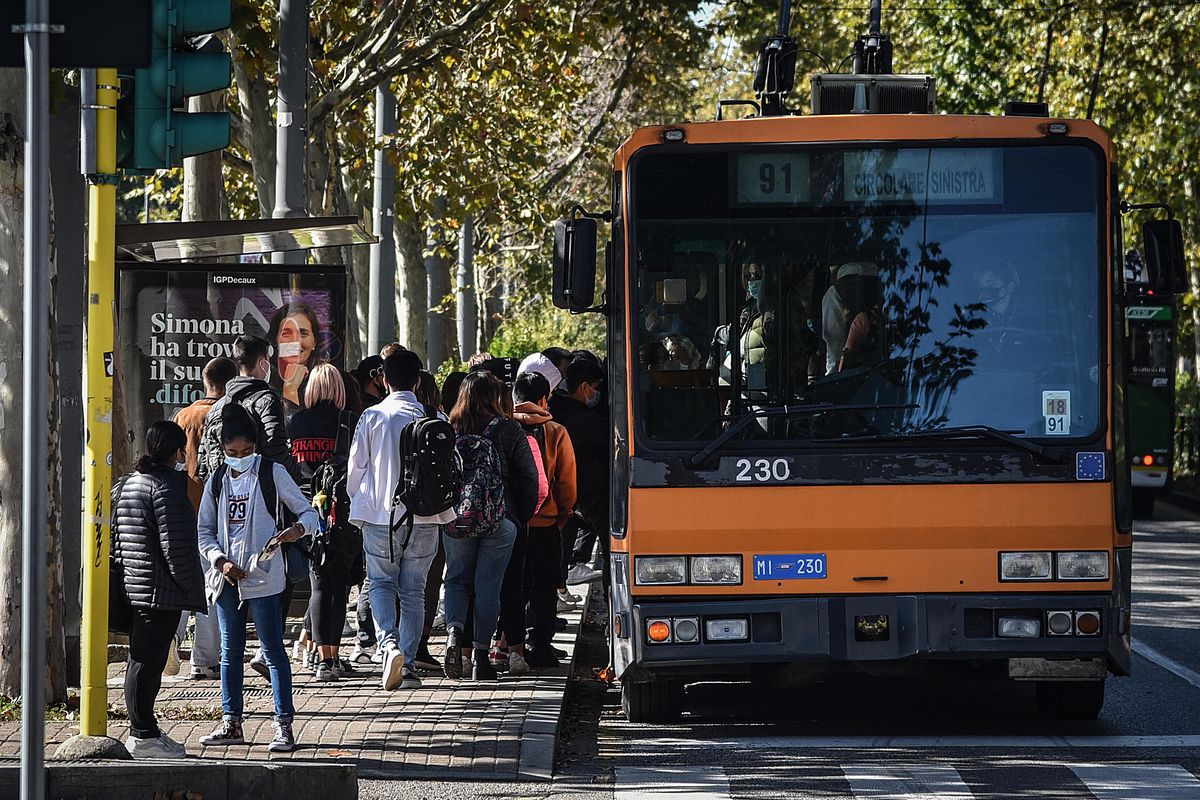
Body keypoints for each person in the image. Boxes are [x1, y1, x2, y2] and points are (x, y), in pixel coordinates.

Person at [197, 414, 319, 753]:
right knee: (230, 653)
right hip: (226, 581)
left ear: (256, 447)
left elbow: (309, 514)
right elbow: (204, 530)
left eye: (246, 450)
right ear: (222, 450)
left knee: (274, 652)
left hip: (266, 578)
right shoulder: (217, 478)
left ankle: (283, 725)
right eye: (232, 452)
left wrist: (297, 530)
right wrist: (220, 561)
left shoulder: (271, 472)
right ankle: (231, 722)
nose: (239, 457)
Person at [347, 349, 454, 691]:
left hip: (381, 515)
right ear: (418, 380)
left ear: (384, 380)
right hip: (427, 516)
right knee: (414, 590)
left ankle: (387, 645)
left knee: (380, 583)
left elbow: (355, 469)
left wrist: (359, 503)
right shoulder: (437, 417)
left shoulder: (373, 416)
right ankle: (407, 662)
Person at [111, 421, 207, 758]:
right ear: (178, 451)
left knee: (143, 661)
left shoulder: (127, 484)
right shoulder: (169, 488)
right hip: (161, 590)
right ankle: (143, 735)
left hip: (135, 585)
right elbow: (177, 549)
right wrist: (189, 587)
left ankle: (146, 729)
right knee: (146, 664)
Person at [443, 371, 539, 681]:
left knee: (457, 580)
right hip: (500, 520)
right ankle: (481, 659)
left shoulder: (449, 429)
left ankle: (455, 633)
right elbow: (530, 479)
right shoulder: (509, 429)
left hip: (457, 518)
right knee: (489, 588)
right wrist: (517, 517)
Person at [289, 364, 359, 682]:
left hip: (306, 511)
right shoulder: (349, 421)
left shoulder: (297, 421)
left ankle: (320, 659)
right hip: (342, 512)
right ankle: (333, 655)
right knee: (339, 586)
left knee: (318, 585)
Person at [172, 356, 237, 681]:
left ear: (204, 381)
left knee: (183, 583)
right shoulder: (226, 414)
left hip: (185, 508)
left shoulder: (184, 415)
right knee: (212, 589)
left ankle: (172, 639)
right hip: (214, 513)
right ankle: (204, 660)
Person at [511, 371, 577, 668]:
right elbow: (566, 482)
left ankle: (511, 644)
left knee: (513, 585)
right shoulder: (555, 431)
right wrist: (561, 514)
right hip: (545, 522)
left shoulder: (503, 428)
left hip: (510, 525)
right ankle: (540, 645)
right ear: (543, 399)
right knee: (544, 586)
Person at [198, 335, 299, 481]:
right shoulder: (267, 401)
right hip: (258, 492)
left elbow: (203, 464)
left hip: (225, 494)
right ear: (262, 363)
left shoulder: (217, 407)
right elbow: (276, 451)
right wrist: (296, 474)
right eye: (268, 362)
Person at [550, 358, 607, 587]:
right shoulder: (589, 422)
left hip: (564, 495)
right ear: (585, 387)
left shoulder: (556, 415)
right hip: (591, 495)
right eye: (597, 387)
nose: (597, 394)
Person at [267, 302, 325, 415]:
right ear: (275, 340)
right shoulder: (265, 380)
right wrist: (290, 389)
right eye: (287, 333)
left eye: (303, 334)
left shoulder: (325, 381)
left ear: (315, 342)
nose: (295, 341)